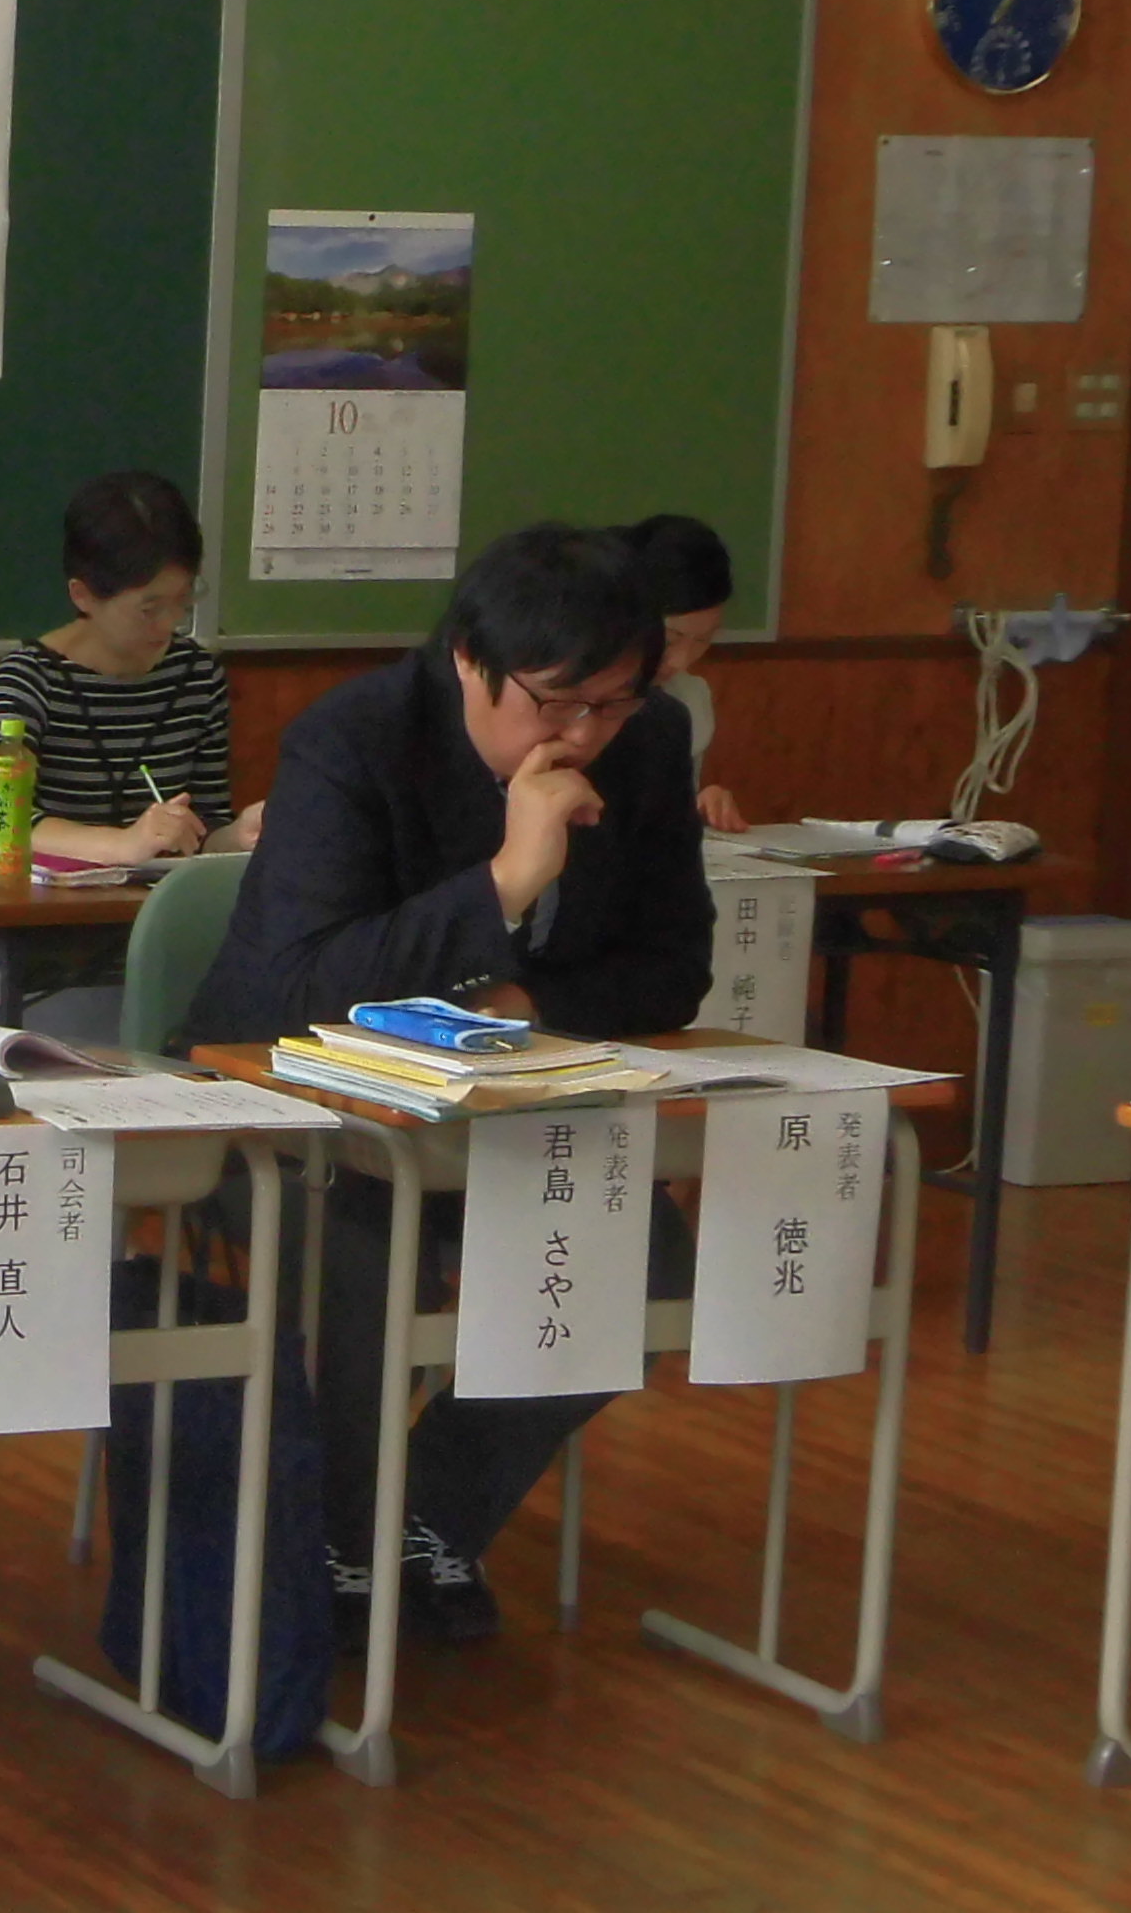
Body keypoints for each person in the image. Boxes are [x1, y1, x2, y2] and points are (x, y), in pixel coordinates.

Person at [198, 521, 710, 1642]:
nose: (585, 735)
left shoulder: (651, 742)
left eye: (615, 703)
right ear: (471, 661)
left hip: (509, 1113)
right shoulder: (355, 738)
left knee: (649, 1264)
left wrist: (527, 1001)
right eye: (557, 702)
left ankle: (425, 1515)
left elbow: (677, 964)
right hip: (295, 1111)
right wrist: (508, 881)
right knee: (360, 1267)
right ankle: (339, 1548)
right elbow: (299, 984)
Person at [0, 469, 259, 871]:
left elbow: (205, 825)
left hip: (162, 902)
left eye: (183, 600)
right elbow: (5, 821)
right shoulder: (29, 680)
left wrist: (237, 836)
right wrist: (125, 844)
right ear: (83, 595)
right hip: (49, 904)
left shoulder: (197, 675)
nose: (170, 623)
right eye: (149, 609)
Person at [625, 511, 747, 835]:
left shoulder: (689, 698)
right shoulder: (569, 704)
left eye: (703, 640)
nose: (682, 661)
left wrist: (700, 804)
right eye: (670, 640)